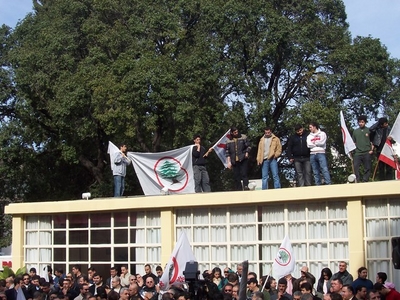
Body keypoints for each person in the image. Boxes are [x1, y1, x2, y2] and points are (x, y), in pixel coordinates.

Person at [352, 115, 373, 182]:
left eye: (362, 122)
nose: (360, 123)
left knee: (367, 167)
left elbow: (372, 141)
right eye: (359, 122)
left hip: (367, 152)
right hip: (357, 152)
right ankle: (357, 180)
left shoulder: (369, 130)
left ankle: (365, 180)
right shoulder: (355, 131)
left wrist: (372, 150)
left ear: (365, 122)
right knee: (356, 167)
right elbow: (353, 142)